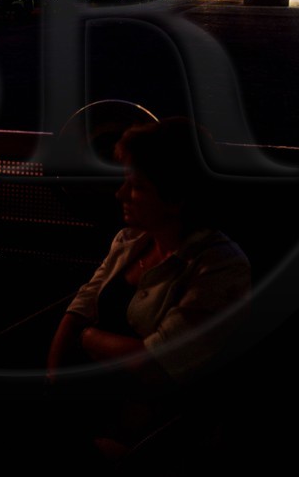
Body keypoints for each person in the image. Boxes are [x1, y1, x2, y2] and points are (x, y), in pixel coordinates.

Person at [45, 117, 251, 446]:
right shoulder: (130, 240)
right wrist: (55, 384)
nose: (120, 193)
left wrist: (89, 338)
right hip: (89, 406)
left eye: (137, 186)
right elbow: (80, 307)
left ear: (176, 198)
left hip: (149, 433)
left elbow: (159, 363)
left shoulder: (220, 267)